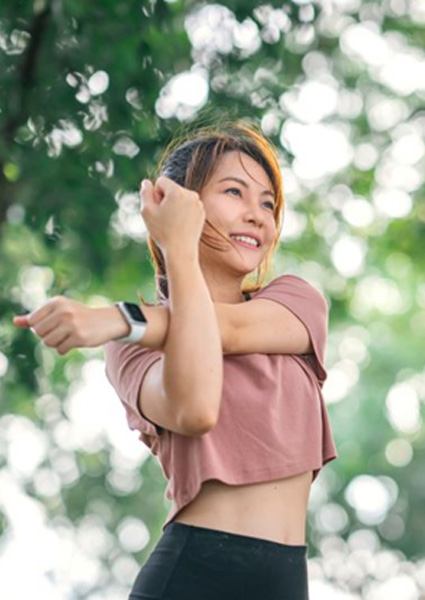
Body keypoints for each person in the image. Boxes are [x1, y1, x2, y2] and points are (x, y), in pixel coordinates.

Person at [13, 119, 338, 599]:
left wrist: (119, 317)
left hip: (287, 580)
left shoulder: (295, 301)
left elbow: (227, 329)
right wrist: (178, 252)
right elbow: (195, 408)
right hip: (192, 573)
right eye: (235, 192)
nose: (258, 215)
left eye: (268, 203)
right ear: (181, 207)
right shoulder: (127, 349)